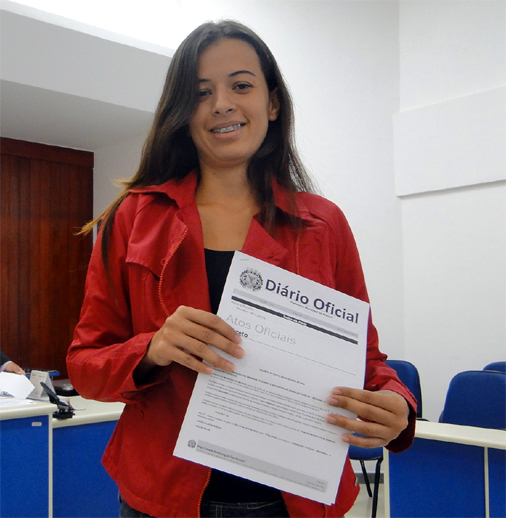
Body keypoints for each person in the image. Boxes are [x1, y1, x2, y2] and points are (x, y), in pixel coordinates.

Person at [67, 20, 417, 518]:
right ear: (182, 112)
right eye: (201, 93)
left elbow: (366, 361)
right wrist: (152, 349)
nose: (222, 104)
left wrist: (396, 404)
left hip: (294, 501)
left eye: (241, 85)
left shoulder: (324, 224)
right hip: (163, 497)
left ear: (272, 103)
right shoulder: (134, 216)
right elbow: (85, 366)